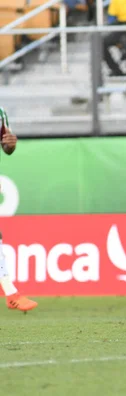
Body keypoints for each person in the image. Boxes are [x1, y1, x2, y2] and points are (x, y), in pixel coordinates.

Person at [0, 107, 38, 312]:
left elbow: (6, 145)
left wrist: (9, 145)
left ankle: (11, 293)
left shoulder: (0, 113)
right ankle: (11, 293)